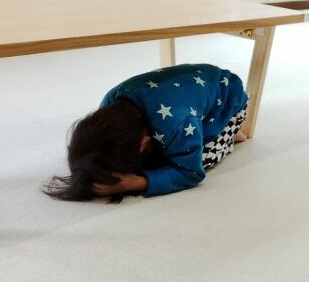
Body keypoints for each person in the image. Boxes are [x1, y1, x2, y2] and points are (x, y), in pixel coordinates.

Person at [44, 63, 249, 202]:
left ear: (144, 142)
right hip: (188, 92)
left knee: (202, 159)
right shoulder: (110, 102)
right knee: (170, 155)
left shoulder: (178, 125)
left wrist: (139, 183)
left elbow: (192, 173)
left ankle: (232, 131)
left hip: (229, 100)